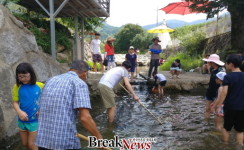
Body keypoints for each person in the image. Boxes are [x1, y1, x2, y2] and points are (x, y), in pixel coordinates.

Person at [35, 60, 103, 150]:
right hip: (63, 142)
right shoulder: (79, 83)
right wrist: (99, 138)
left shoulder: (50, 80)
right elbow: (85, 118)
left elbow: (39, 111)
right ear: (84, 73)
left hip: (42, 140)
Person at [213, 54, 244, 146]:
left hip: (230, 107)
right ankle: (239, 146)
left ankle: (225, 146)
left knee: (227, 129)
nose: (226, 65)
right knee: (240, 130)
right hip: (242, 107)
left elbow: (224, 93)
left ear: (231, 64)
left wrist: (218, 106)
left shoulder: (228, 77)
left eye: (226, 63)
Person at [12, 63, 44, 150]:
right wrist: (19, 112)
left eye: (25, 76)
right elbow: (15, 102)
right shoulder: (17, 87)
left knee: (31, 145)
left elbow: (46, 100)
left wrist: (41, 109)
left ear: (31, 74)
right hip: (22, 120)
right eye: (20, 76)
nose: (23, 79)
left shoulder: (40, 86)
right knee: (25, 143)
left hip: (35, 120)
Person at [202, 54, 225, 119]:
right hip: (210, 91)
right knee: (207, 109)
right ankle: (206, 124)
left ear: (213, 62)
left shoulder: (221, 71)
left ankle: (216, 126)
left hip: (217, 92)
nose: (208, 62)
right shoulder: (212, 69)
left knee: (217, 110)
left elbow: (222, 83)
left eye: (209, 61)